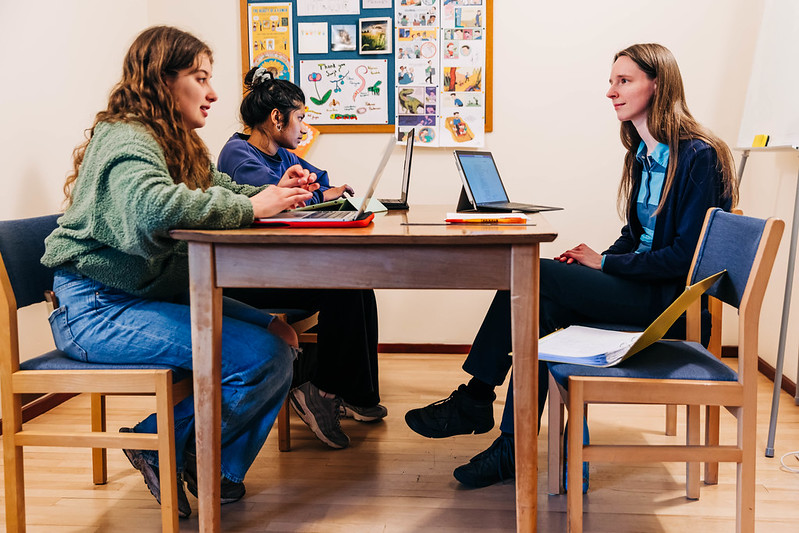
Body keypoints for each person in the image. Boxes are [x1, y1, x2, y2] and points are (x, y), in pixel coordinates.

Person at [404, 43, 739, 488]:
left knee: (533, 276)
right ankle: (509, 444)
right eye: (611, 81)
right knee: (541, 308)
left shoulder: (698, 156)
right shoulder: (642, 154)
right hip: (644, 290)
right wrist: (595, 264)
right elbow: (636, 235)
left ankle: (477, 399)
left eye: (624, 81)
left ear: (657, 84)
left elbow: (682, 258)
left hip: (670, 306)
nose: (611, 91)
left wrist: (604, 266)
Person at [41, 26, 319, 518]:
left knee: (283, 338)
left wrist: (276, 188)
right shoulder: (125, 137)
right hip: (96, 307)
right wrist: (255, 208)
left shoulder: (179, 142)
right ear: (160, 80)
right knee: (259, 358)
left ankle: (200, 462)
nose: (213, 94)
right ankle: (162, 445)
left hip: (145, 294)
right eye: (200, 78)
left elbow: (227, 188)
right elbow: (152, 208)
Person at [217, 67, 387, 451]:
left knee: (359, 281)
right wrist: (313, 194)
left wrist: (330, 191)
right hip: (250, 275)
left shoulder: (281, 153)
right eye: (300, 117)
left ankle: (355, 393)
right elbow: (276, 202)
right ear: (276, 118)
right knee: (342, 286)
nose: (304, 126)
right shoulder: (237, 153)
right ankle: (320, 393)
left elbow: (320, 185)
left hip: (279, 264)